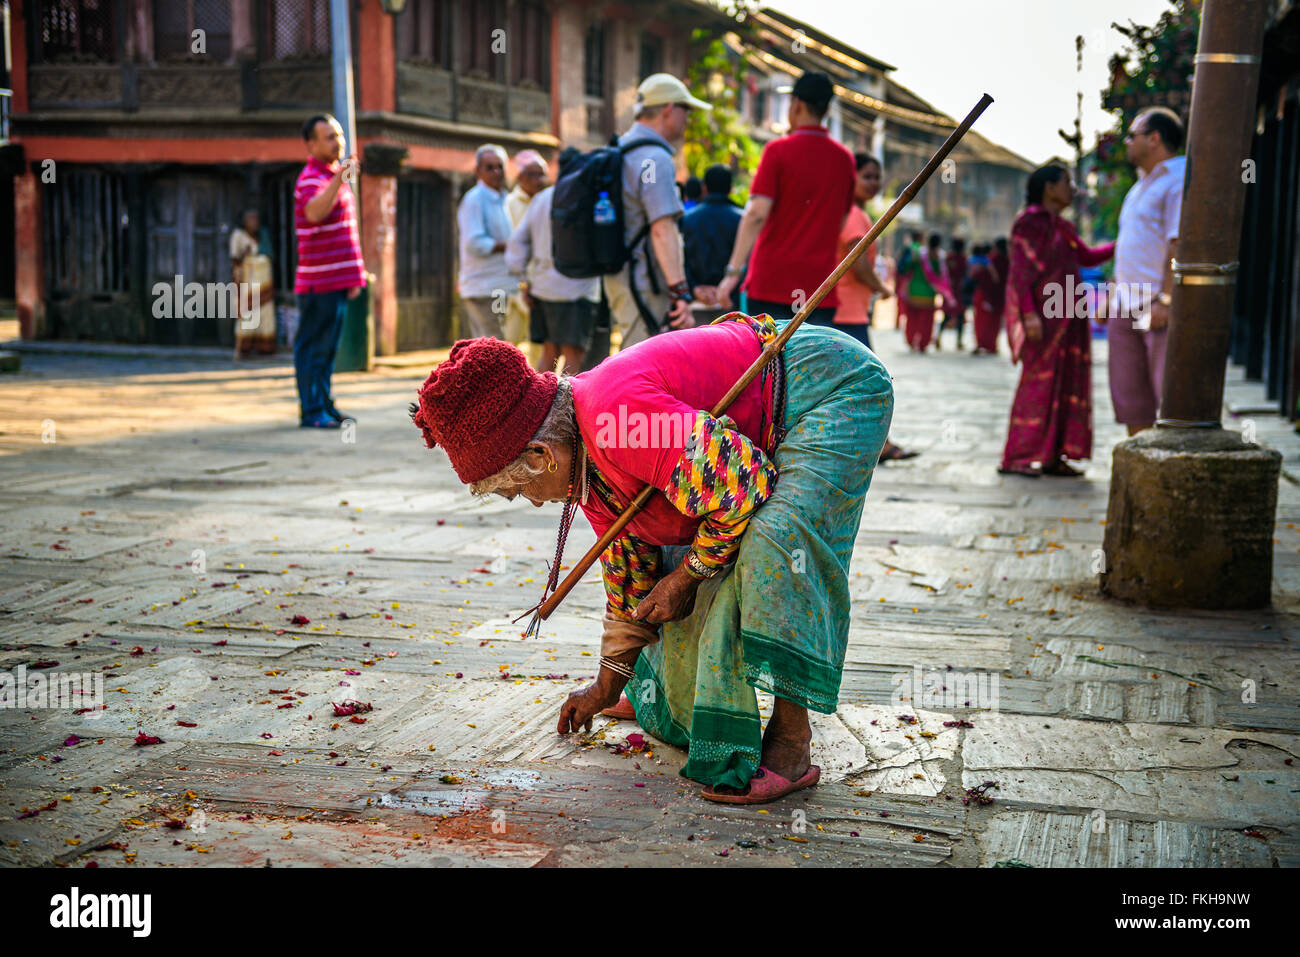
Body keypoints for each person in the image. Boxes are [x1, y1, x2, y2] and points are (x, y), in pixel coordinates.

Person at [409, 312, 893, 803]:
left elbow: (742, 489)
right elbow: (630, 571)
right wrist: (605, 685)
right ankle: (653, 695)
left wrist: (689, 576)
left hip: (832, 387)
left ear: (540, 455)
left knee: (775, 539)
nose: (534, 501)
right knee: (673, 551)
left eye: (520, 489)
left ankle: (792, 740)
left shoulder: (614, 418)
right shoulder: (586, 462)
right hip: (764, 427)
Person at [999, 163, 1114, 477]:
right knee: (1037, 383)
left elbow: (1087, 257)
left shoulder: (1063, 227)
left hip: (1069, 318)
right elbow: (1021, 272)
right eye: (1067, 182)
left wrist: (1124, 244)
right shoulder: (1029, 223)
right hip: (1044, 318)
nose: (1072, 188)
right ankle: (1017, 457)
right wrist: (1029, 315)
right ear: (1049, 187)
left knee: (1067, 381)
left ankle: (1053, 455)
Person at [714, 72, 855, 325]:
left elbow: (756, 214)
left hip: (771, 284)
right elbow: (841, 222)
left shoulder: (777, 151)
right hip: (819, 290)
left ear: (797, 104)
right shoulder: (844, 160)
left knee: (769, 362)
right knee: (813, 363)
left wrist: (732, 273)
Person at [604, 73, 708, 349]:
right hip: (644, 282)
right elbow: (663, 229)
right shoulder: (655, 158)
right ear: (668, 109)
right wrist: (680, 292)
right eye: (685, 109)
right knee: (643, 367)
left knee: (630, 356)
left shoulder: (620, 148)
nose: (688, 118)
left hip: (619, 276)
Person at [832, 152, 917, 463]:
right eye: (866, 176)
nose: (874, 183)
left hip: (845, 310)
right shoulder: (855, 214)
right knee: (871, 381)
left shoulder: (849, 212)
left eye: (876, 176)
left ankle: (869, 442)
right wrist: (880, 286)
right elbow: (856, 261)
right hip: (848, 312)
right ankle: (877, 444)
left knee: (853, 382)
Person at [1106, 107, 1186, 436]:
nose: (1126, 142)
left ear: (1154, 139)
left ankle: (1169, 476)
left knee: (1167, 399)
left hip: (1156, 304)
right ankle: (1141, 470)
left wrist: (1166, 301)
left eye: (1132, 135)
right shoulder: (1138, 188)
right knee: (1130, 398)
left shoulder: (1178, 179)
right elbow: (1131, 247)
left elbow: (1178, 244)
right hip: (1125, 304)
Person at [294, 113, 366, 429]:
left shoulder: (333, 176)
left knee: (327, 350)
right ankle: (312, 411)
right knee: (313, 348)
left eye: (338, 135)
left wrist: (356, 275)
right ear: (311, 144)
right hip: (318, 282)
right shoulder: (311, 177)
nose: (337, 141)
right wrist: (338, 180)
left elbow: (347, 231)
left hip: (338, 280)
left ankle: (324, 404)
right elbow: (313, 213)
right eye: (329, 137)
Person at [506, 154, 601, 374]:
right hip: (578, 290)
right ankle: (569, 406)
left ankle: (541, 404)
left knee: (550, 352)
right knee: (573, 355)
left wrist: (523, 280)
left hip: (543, 288)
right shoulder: (589, 196)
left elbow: (517, 242)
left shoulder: (542, 198)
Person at [457, 144, 517, 340]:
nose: (496, 172)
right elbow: (474, 243)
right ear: (477, 171)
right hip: (483, 286)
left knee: (495, 338)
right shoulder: (475, 199)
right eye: (489, 167)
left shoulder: (505, 199)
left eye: (500, 166)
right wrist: (507, 245)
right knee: (492, 340)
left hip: (500, 286)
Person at [504, 150, 549, 359]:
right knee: (510, 337)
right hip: (514, 279)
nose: (538, 180)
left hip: (539, 279)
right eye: (532, 175)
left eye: (541, 174)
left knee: (537, 340)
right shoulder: (510, 203)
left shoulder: (545, 201)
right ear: (520, 177)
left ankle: (536, 386)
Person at [680, 163, 742, 313]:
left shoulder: (687, 219)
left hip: (695, 302)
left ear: (704, 188)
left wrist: (694, 287)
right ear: (730, 188)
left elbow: (680, 259)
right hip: (733, 303)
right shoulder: (742, 219)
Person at [230, 209, 276, 357]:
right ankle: (243, 347)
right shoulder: (238, 235)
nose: (253, 223)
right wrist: (245, 254)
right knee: (247, 312)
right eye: (250, 220)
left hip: (263, 280)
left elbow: (269, 255)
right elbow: (235, 259)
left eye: (256, 220)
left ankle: (264, 347)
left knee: (265, 313)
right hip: (247, 279)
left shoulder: (263, 235)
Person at [968, 242, 1004, 355]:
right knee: (994, 322)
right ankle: (992, 345)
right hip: (999, 296)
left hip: (983, 294)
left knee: (980, 320)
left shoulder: (988, 260)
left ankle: (981, 343)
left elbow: (973, 276)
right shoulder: (1005, 260)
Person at [938, 237, 968, 350]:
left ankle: (938, 338)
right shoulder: (963, 258)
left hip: (948, 290)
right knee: (960, 317)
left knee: (946, 315)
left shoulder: (948, 257)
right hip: (959, 291)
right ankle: (959, 341)